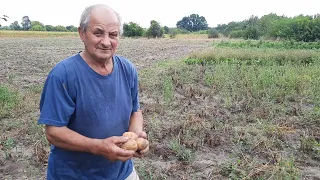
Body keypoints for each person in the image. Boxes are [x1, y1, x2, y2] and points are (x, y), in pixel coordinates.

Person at [37, 4, 148, 180]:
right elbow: (54, 132)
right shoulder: (63, 75)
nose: (106, 42)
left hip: (123, 174)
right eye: (98, 33)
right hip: (74, 176)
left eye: (113, 35)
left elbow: (136, 112)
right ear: (82, 33)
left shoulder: (128, 69)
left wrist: (134, 137)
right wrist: (99, 147)